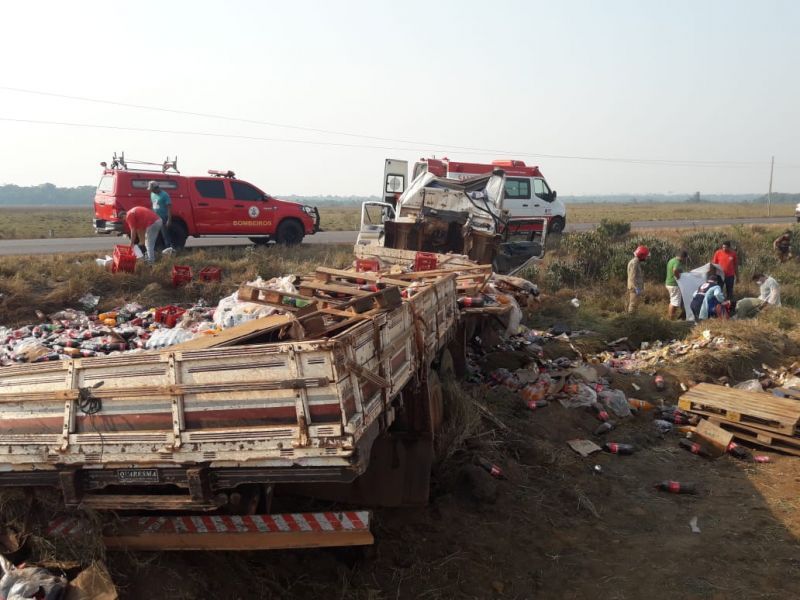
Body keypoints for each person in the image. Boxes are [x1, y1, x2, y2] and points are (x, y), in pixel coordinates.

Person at [148, 181, 174, 253]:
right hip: (155, 218)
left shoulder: (164, 195)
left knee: (165, 235)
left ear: (156, 188)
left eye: (152, 189)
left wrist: (169, 219)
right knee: (156, 235)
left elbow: (169, 207)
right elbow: (152, 204)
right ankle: (158, 249)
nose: (151, 191)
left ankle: (169, 250)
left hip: (163, 218)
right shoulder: (152, 194)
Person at [665, 250, 688, 320]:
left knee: (673, 300)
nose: (685, 260)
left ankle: (671, 317)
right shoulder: (677, 262)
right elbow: (675, 270)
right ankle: (671, 318)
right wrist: (678, 277)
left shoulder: (671, 260)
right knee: (674, 302)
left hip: (669, 283)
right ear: (683, 257)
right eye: (685, 258)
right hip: (674, 284)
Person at [626, 245, 649, 313]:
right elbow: (632, 277)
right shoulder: (634, 263)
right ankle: (631, 321)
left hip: (636, 287)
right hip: (634, 288)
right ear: (641, 256)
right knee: (633, 305)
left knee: (635, 305)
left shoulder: (636, 262)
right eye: (645, 256)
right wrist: (636, 288)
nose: (646, 258)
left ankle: (633, 318)